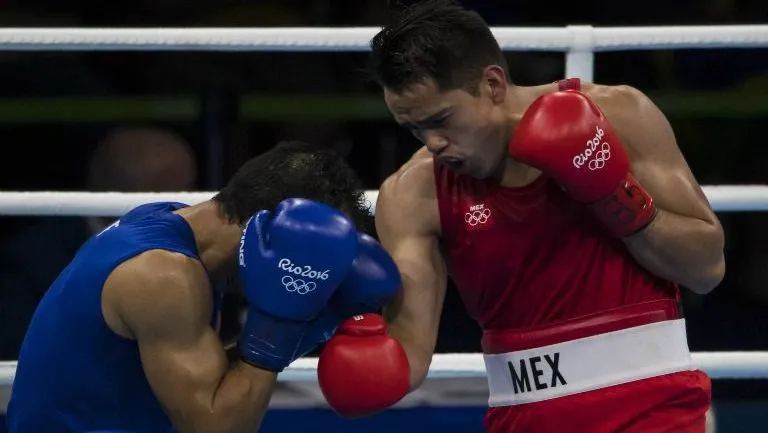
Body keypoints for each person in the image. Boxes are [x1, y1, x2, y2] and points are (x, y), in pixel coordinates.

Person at [316, 1, 726, 432]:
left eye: (441, 120)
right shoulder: (414, 195)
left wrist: (613, 195)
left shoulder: (618, 115)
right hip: (525, 418)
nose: (433, 142)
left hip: (653, 406)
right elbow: (409, 354)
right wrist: (339, 327)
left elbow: (707, 269)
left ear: (492, 83)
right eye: (414, 129)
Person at [7, 140, 402, 433]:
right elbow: (216, 428)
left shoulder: (171, 225)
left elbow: (204, 381)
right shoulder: (163, 274)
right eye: (307, 259)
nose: (309, 275)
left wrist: (309, 325)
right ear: (268, 229)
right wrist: (280, 327)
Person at [0, 127, 198, 360]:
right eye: (178, 193)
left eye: (193, 190)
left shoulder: (197, 249)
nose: (192, 206)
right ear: (128, 196)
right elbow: (17, 356)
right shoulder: (33, 260)